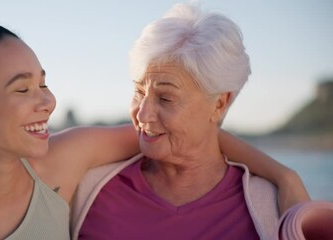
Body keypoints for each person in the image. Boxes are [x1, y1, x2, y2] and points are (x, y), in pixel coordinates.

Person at [0, 13, 307, 240]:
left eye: (43, 83)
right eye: (22, 90)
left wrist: (285, 178)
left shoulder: (64, 163)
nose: (48, 101)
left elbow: (193, 137)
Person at [71, 3, 310, 240]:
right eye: (139, 93)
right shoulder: (88, 188)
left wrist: (286, 180)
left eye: (165, 98)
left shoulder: (274, 207)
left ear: (219, 104)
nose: (142, 115)